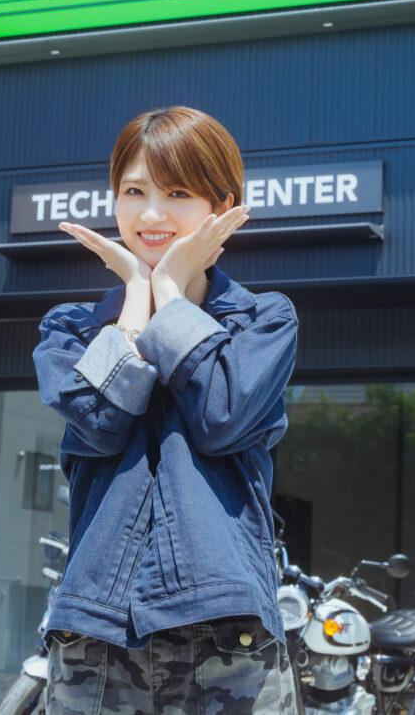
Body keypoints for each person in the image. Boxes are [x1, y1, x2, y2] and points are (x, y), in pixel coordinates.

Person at [32, 106, 300, 714]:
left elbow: (221, 417)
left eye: (177, 192)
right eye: (134, 192)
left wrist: (171, 294)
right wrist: (136, 298)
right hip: (97, 633)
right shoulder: (71, 329)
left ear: (222, 205)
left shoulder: (262, 319)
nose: (151, 214)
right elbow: (101, 424)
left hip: (228, 631)